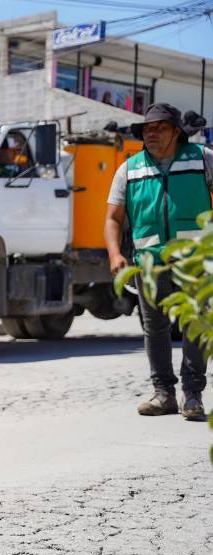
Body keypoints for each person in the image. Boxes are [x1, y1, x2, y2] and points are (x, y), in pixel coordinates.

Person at [105, 102, 213, 421]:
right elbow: (113, 217)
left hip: (194, 261)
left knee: (195, 323)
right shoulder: (130, 168)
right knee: (155, 328)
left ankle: (192, 395)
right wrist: (115, 253)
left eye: (160, 128)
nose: (151, 133)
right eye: (147, 129)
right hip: (149, 262)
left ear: (176, 132)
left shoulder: (203, 160)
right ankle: (163, 393)